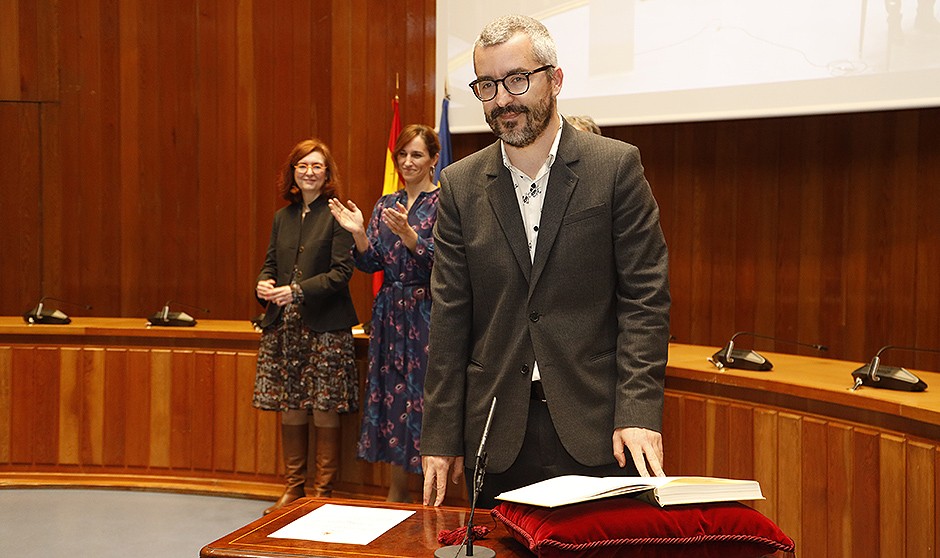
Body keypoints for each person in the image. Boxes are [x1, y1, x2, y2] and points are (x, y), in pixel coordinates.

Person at [421, 14, 671, 509]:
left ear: (555, 79)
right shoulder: (459, 186)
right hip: (495, 434)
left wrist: (638, 411)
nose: (502, 100)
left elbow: (645, 300)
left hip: (600, 428)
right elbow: (450, 319)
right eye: (487, 86)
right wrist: (441, 436)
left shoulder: (614, 167)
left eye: (517, 79)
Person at [328, 124, 441, 502]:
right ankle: (396, 493)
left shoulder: (444, 203)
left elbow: (448, 264)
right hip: (390, 315)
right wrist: (359, 232)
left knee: (424, 399)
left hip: (426, 313)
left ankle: (432, 495)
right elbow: (372, 262)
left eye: (417, 155)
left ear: (433, 161)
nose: (408, 162)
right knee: (393, 399)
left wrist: (411, 236)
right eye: (403, 155)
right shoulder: (384, 204)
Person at [253, 138, 360, 514]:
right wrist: (263, 285)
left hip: (326, 327)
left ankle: (322, 492)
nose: (309, 172)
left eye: (317, 166)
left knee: (324, 407)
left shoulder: (337, 214)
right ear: (293, 174)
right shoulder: (283, 217)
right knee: (291, 405)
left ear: (327, 173)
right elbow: (270, 263)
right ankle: (294, 488)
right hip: (285, 326)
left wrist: (296, 291)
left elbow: (341, 273)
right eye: (302, 166)